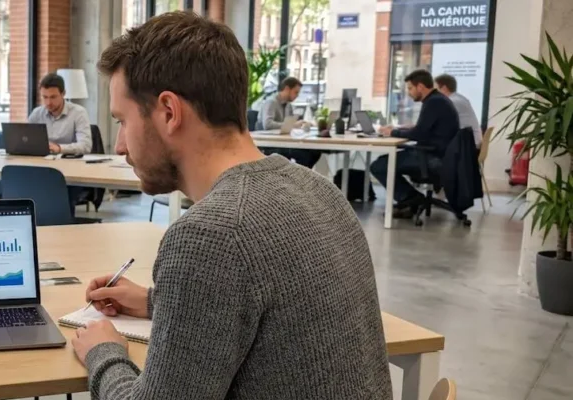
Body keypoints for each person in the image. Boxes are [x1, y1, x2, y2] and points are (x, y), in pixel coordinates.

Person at [73, 11, 391, 399]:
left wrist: (104, 352)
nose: (120, 145)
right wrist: (156, 301)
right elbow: (271, 312)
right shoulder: (321, 191)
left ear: (169, 112)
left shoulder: (211, 234)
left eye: (122, 121)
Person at [371, 69, 460, 215]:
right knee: (386, 162)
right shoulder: (437, 100)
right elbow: (424, 129)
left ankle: (410, 199)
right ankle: (411, 200)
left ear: (420, 87)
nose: (409, 92)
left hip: (432, 158)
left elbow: (419, 134)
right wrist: (400, 128)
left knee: (379, 166)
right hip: (441, 155)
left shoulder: (434, 102)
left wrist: (392, 132)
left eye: (410, 88)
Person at [258, 77, 321, 168]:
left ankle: (300, 178)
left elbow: (289, 126)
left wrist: (299, 125)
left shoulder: (288, 105)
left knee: (314, 152)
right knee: (305, 155)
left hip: (284, 141)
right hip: (271, 144)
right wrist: (292, 125)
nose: (297, 95)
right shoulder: (271, 102)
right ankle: (299, 178)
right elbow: (267, 124)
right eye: (296, 92)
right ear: (287, 89)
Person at [27, 73, 92, 154]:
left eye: (53, 97)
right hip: (42, 161)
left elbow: (85, 146)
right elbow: (27, 141)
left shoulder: (79, 113)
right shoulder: (36, 114)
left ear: (63, 93)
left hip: (69, 162)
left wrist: (59, 148)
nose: (48, 102)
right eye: (45, 97)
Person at [435, 73, 482, 147]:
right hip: (470, 144)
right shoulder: (459, 98)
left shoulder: (452, 102)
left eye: (435, 89)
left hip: (467, 148)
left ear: (444, 88)